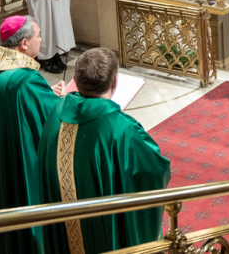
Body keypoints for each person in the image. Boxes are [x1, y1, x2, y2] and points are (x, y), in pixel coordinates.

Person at [38, 48, 171, 254]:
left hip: (62, 220)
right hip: (103, 231)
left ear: (76, 80)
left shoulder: (56, 113)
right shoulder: (121, 128)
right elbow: (154, 169)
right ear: (114, 82)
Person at [0, 15, 64, 254]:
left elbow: (15, 103)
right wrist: (65, 99)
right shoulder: (25, 78)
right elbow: (52, 117)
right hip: (18, 164)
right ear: (23, 44)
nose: (41, 40)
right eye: (38, 36)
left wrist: (45, 93)